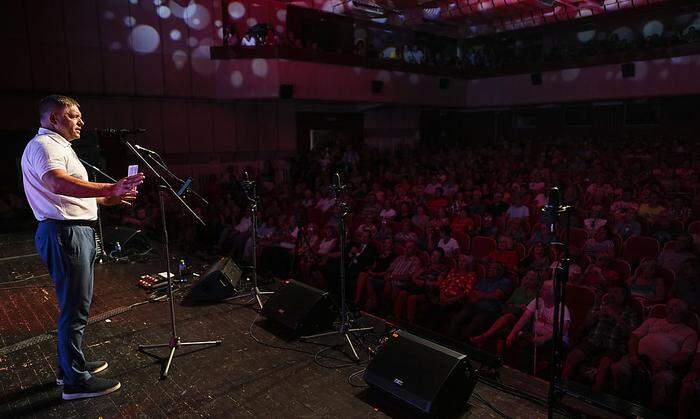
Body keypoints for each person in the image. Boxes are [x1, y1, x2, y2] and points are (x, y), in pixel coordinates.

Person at [21, 95, 144, 400]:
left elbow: (79, 193)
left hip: (72, 231)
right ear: (53, 119)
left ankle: (70, 368)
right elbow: (57, 184)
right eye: (74, 116)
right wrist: (109, 187)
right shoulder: (45, 146)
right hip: (65, 233)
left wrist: (114, 196)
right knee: (75, 307)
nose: (81, 121)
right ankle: (75, 381)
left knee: (76, 305)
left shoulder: (61, 148)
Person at [611, 298, 698, 410]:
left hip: (665, 366)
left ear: (684, 311)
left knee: (663, 380)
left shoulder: (690, 333)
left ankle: (650, 411)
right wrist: (633, 355)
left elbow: (686, 354)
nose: (671, 307)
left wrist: (667, 364)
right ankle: (620, 406)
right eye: (669, 305)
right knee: (618, 368)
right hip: (639, 358)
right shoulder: (652, 321)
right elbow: (633, 338)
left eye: (676, 305)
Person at [563, 283, 641, 392]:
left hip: (614, 345)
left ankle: (595, 392)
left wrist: (615, 315)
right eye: (611, 292)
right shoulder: (601, 305)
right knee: (575, 355)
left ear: (624, 296)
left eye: (616, 292)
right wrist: (595, 315)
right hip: (594, 340)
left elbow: (631, 334)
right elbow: (585, 325)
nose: (612, 295)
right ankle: (562, 385)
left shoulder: (630, 312)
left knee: (604, 363)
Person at [506, 280, 571, 374]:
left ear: (553, 293)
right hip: (537, 336)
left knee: (528, 345)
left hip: (554, 340)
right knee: (521, 342)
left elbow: (562, 330)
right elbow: (524, 319)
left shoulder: (562, 309)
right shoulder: (537, 301)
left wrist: (544, 338)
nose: (540, 290)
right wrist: (512, 334)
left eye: (544, 289)